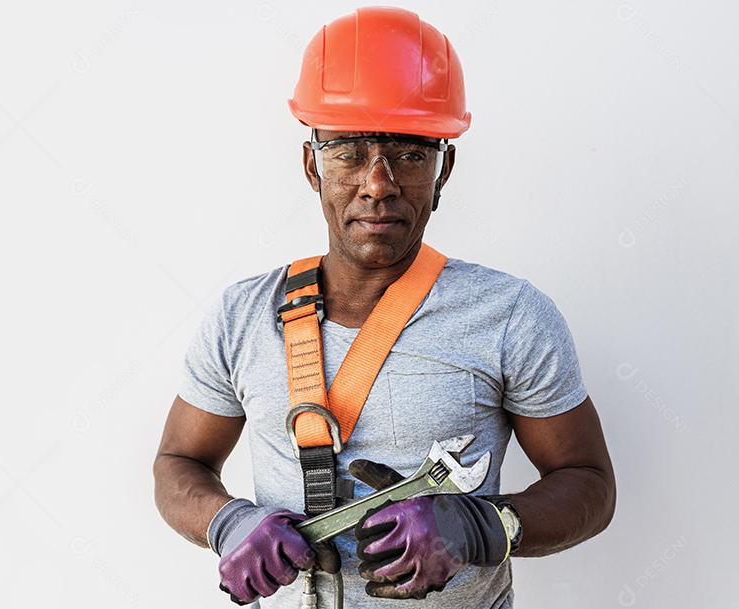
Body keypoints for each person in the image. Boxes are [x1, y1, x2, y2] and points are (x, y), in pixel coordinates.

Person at [153, 6, 616, 607]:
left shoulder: (512, 317)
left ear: (443, 169)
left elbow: (589, 484)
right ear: (311, 166)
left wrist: (482, 527)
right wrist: (227, 521)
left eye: (410, 153)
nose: (379, 182)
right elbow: (178, 460)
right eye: (348, 152)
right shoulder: (241, 316)